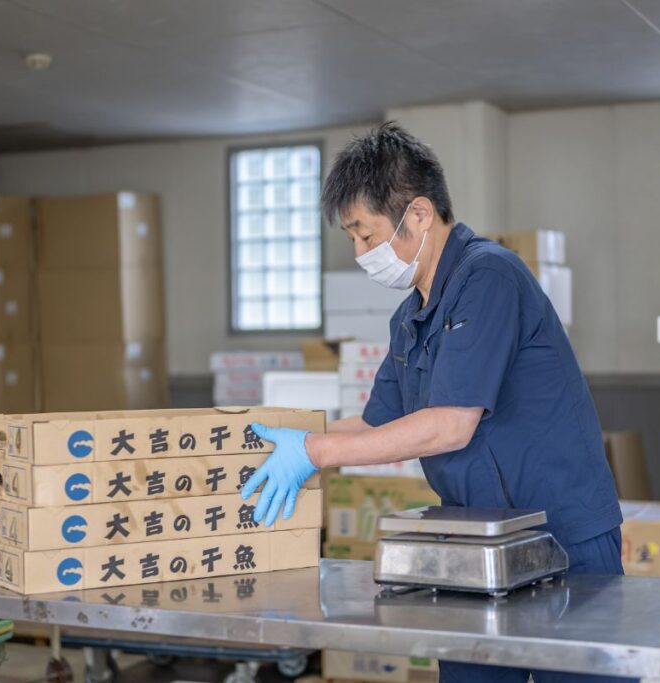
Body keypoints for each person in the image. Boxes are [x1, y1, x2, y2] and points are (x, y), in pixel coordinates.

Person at [241, 122, 628, 683]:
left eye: (367, 236)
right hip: (477, 545)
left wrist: (315, 453)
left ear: (419, 214)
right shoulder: (410, 318)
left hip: (564, 536)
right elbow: (375, 423)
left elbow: (450, 425)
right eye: (352, 240)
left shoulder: (489, 276)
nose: (360, 254)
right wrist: (282, 440)